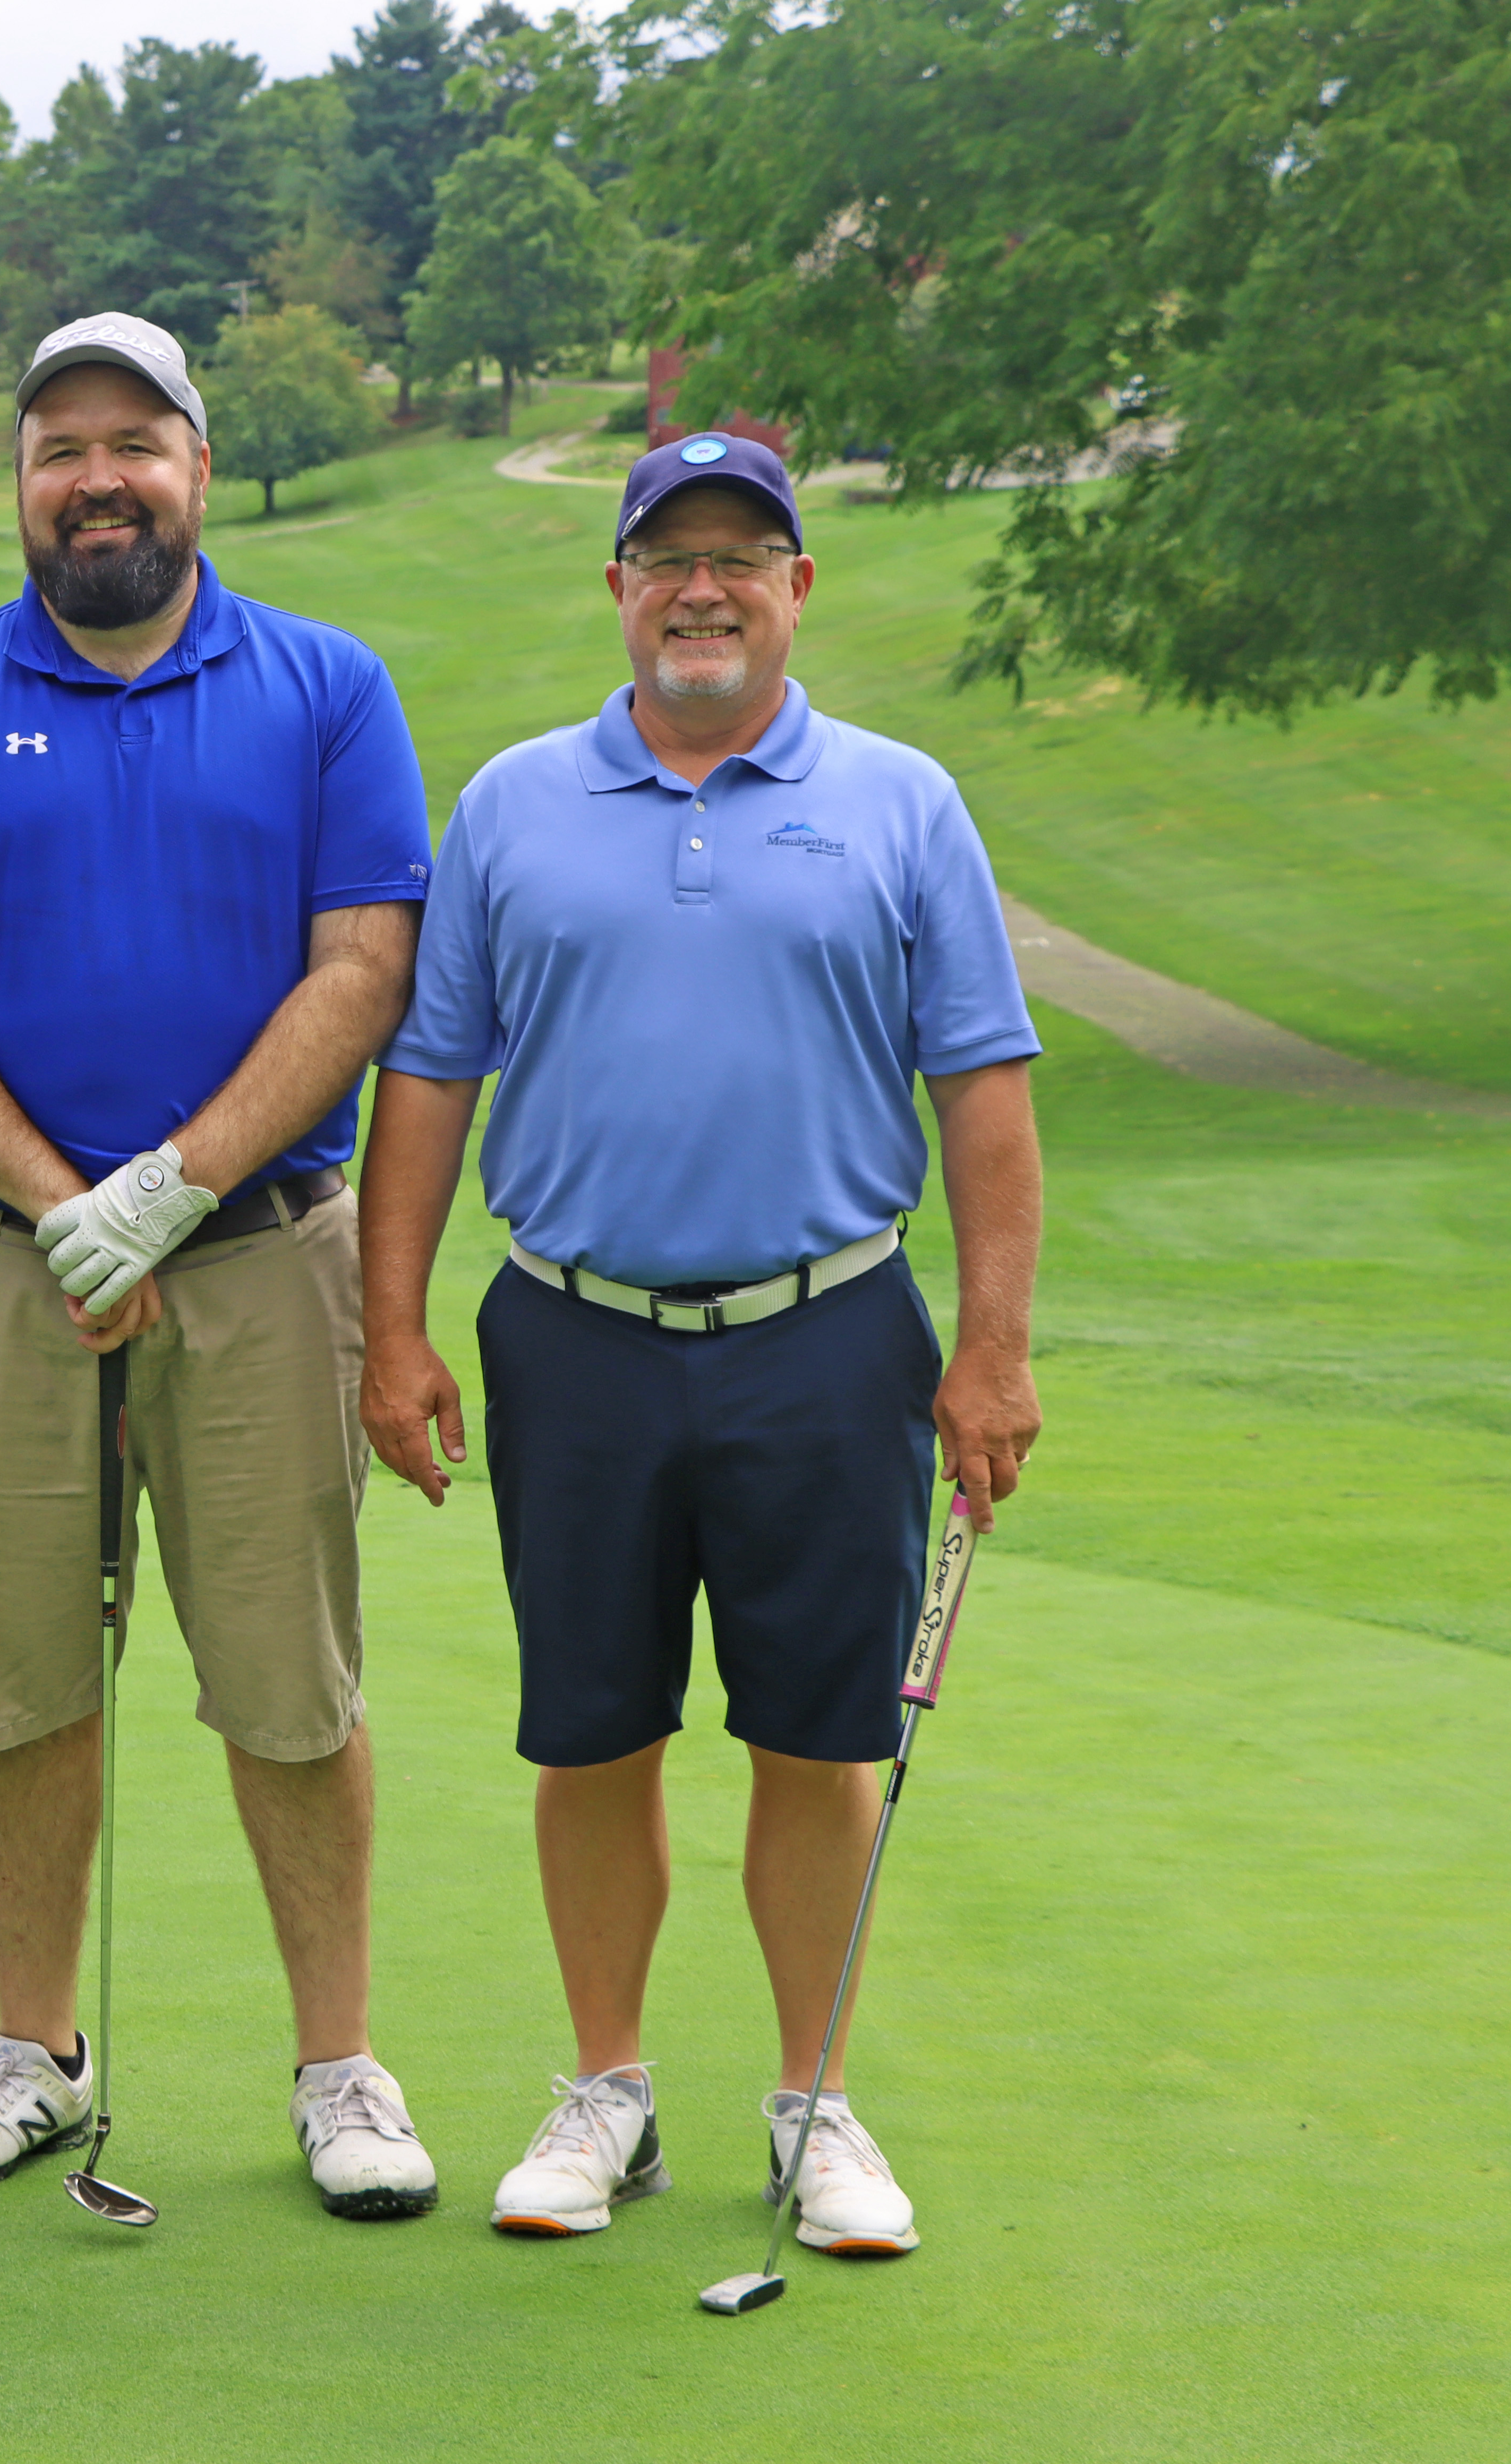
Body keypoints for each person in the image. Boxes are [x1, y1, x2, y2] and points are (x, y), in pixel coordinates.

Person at [356, 431, 1045, 2257]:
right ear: (619, 586)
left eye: (746, 555)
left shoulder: (902, 802)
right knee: (593, 1732)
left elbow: (982, 1088)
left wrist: (992, 1349)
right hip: (572, 1334)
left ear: (798, 587)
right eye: (671, 555)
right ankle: (608, 2094)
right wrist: (391, 1329)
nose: (706, 587)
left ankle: (815, 2102)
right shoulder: (512, 801)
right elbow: (431, 1074)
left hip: (828, 1335)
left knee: (818, 1741)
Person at [0, 314, 445, 2220]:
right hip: (5, 1267)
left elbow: (365, 968)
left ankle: (341, 2067)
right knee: (17, 1674)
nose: (97, 477)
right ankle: (33, 2053)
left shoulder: (327, 687)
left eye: (135, 442)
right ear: (20, 482)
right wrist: (57, 1197)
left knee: (288, 1678)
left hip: (261, 1257)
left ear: (199, 463)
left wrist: (164, 1191)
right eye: (57, 447)